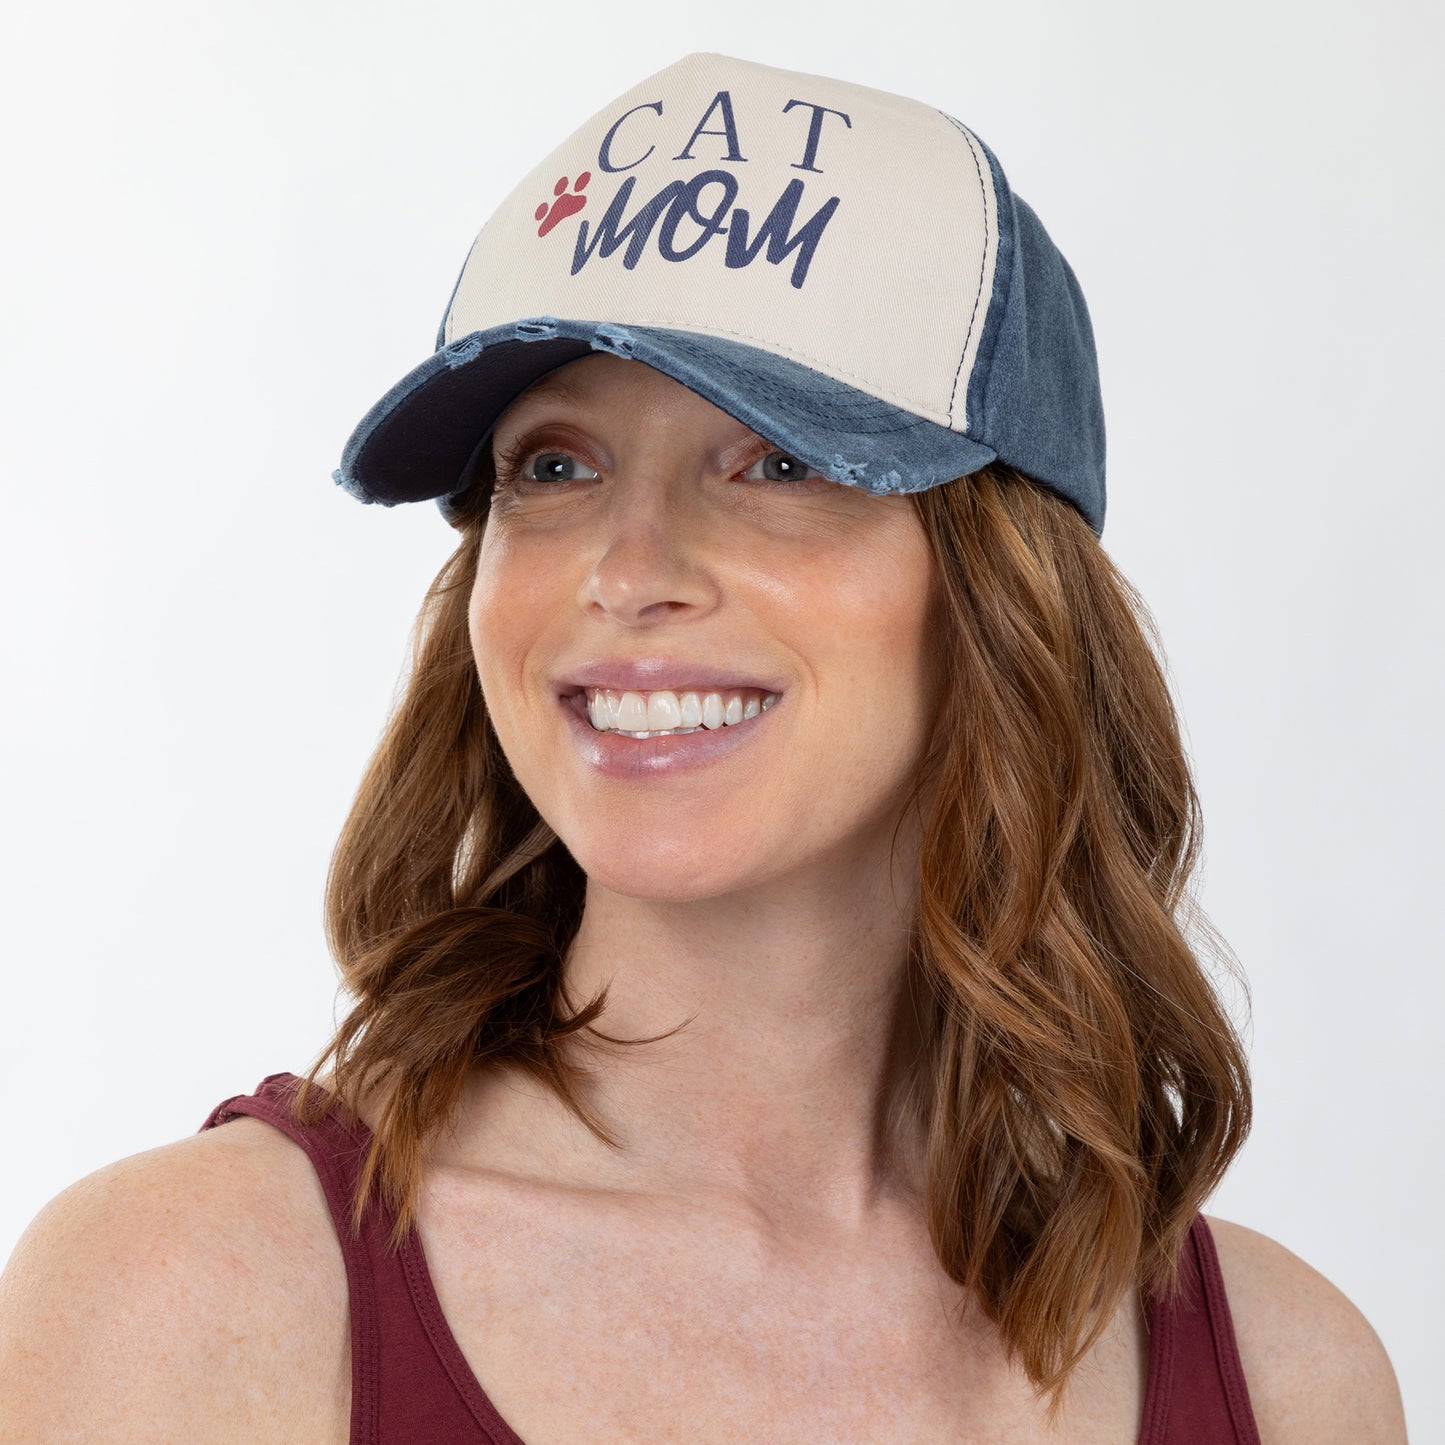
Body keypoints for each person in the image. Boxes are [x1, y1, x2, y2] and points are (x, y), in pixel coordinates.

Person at [0, 52, 1406, 1444]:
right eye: (552, 467)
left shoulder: (1291, 1381)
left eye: (779, 461)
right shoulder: (190, 1302)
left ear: (1005, 594)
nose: (628, 567)